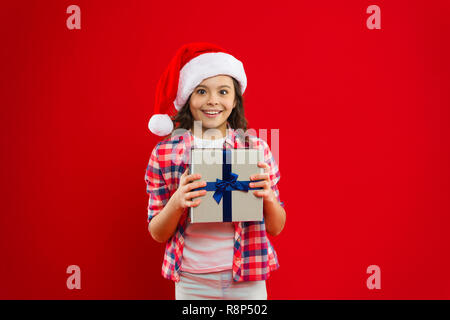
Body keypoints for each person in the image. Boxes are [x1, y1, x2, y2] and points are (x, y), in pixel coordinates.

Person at [144, 42, 286, 300]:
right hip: (191, 281)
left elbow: (276, 227)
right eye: (201, 91)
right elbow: (157, 232)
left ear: (234, 99)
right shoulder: (165, 154)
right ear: (188, 98)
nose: (212, 101)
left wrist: (268, 197)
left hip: (247, 276)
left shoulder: (255, 149)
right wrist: (177, 201)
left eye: (223, 91)